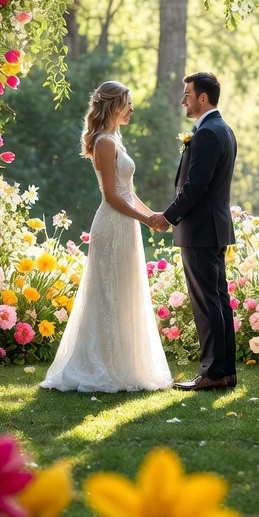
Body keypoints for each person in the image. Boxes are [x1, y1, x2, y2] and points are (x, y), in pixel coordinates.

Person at [41, 81, 172, 393]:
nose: (132, 109)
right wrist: (145, 219)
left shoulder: (115, 139)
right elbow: (112, 196)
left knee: (124, 290)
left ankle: (126, 363)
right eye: (128, 103)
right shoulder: (104, 142)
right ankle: (102, 365)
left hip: (126, 224)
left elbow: (129, 192)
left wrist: (152, 215)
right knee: (108, 292)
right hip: (113, 223)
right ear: (113, 105)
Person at [151, 72, 237, 391]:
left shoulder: (207, 133)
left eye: (187, 94)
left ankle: (213, 371)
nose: (183, 100)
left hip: (200, 230)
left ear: (203, 97)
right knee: (218, 299)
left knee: (206, 302)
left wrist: (168, 217)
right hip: (213, 229)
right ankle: (225, 371)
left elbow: (195, 187)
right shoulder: (223, 130)